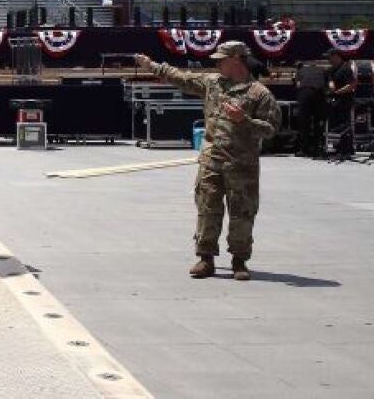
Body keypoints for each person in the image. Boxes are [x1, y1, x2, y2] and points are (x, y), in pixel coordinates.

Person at [135, 41, 279, 281]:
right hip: (212, 159)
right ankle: (205, 258)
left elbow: (271, 129)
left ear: (237, 59)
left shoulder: (259, 94)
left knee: (242, 212)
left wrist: (244, 120)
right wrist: (152, 66)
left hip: (242, 164)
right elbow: (182, 78)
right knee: (207, 208)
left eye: (222, 59)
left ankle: (239, 260)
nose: (217, 63)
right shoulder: (213, 83)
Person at [293, 59, 328, 157]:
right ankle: (318, 147)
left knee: (304, 123)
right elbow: (326, 85)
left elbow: (298, 85)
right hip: (318, 94)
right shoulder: (322, 70)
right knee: (318, 122)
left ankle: (304, 149)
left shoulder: (300, 71)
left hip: (305, 94)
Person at [326, 48, 356, 157]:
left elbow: (352, 85)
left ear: (336, 56)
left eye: (330, 57)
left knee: (345, 125)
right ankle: (338, 148)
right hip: (335, 101)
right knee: (336, 125)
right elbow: (331, 81)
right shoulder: (332, 69)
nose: (329, 60)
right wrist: (331, 85)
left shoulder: (346, 68)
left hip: (345, 100)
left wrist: (338, 92)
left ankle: (347, 149)